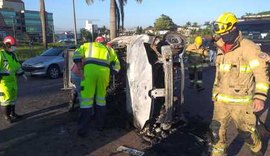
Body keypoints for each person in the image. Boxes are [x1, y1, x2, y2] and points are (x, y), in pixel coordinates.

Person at [209, 12, 270, 156]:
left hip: (241, 103)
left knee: (246, 134)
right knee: (215, 133)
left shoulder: (249, 47)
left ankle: (257, 150)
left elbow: (261, 73)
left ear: (232, 28)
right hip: (220, 103)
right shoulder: (220, 48)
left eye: (224, 31)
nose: (222, 35)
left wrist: (260, 96)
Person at [73, 36, 120, 137]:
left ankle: (82, 129)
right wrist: (110, 73)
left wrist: (80, 68)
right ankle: (100, 126)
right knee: (101, 100)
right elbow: (116, 65)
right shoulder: (109, 49)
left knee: (86, 101)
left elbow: (76, 55)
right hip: (104, 74)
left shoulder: (87, 45)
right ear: (104, 42)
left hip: (89, 73)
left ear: (95, 41)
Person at [0, 35, 24, 123]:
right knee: (6, 99)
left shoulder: (13, 55)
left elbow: (17, 65)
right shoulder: (1, 54)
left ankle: (13, 114)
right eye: (13, 46)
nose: (15, 48)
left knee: (13, 98)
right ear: (7, 45)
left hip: (13, 80)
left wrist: (21, 72)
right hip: (3, 82)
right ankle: (7, 116)